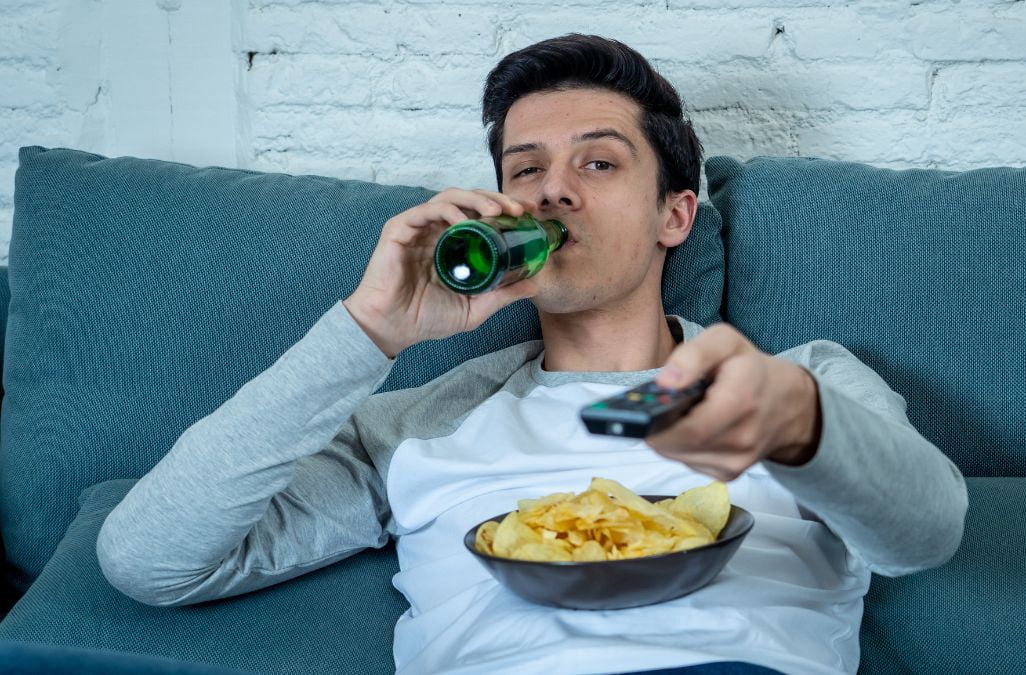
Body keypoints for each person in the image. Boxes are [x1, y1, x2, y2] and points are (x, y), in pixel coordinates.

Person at [96, 34, 969, 675]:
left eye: (597, 163)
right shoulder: (413, 426)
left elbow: (927, 531)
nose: (553, 188)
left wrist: (794, 423)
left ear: (675, 216)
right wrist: (371, 327)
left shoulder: (800, 382)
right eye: (526, 170)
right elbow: (147, 561)